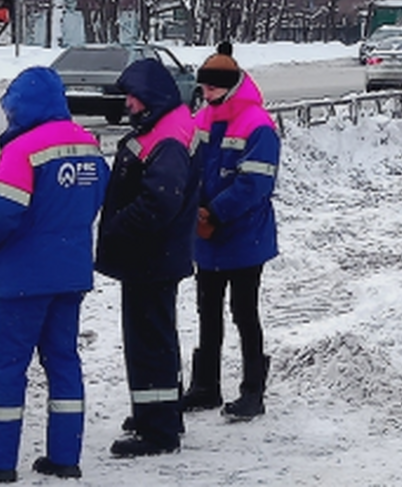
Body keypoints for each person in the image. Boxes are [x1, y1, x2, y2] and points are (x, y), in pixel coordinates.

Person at [0, 66, 109, 483]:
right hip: (71, 271)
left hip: (23, 276)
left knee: (8, 368)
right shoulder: (89, 145)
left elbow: (3, 213)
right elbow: (98, 200)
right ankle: (64, 457)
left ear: (22, 106)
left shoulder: (22, 150)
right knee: (63, 362)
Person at [95, 57, 199, 458]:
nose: (128, 105)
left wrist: (118, 225)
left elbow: (160, 200)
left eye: (133, 98)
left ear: (150, 97)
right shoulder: (170, 125)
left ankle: (157, 430)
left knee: (148, 342)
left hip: (151, 256)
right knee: (157, 336)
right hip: (159, 254)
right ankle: (160, 413)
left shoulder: (166, 138)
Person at [186, 42, 280, 421]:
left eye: (210, 89)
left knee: (244, 312)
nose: (204, 95)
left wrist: (213, 213)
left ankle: (253, 391)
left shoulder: (258, 124)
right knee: (207, 310)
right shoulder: (204, 118)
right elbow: (191, 164)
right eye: (203, 89)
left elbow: (255, 186)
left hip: (243, 235)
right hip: (208, 234)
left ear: (229, 86)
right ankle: (205, 385)